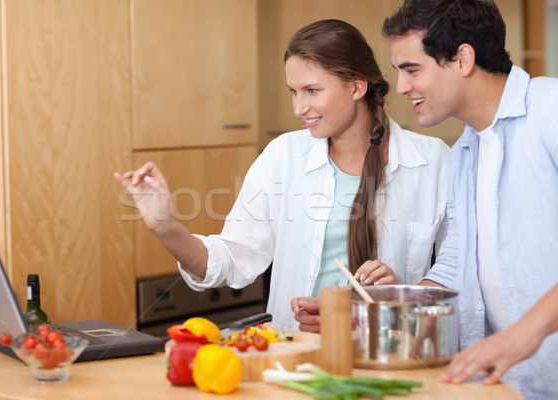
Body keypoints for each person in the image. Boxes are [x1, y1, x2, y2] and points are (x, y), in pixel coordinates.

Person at [115, 19, 449, 331]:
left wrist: (400, 295)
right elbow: (232, 259)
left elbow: (459, 271)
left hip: (388, 352)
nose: (298, 108)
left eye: (312, 91)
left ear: (357, 86)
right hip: (294, 356)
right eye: (294, 91)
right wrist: (166, 227)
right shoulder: (282, 156)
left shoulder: (434, 162)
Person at [382, 1, 558, 399]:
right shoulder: (464, 151)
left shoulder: (551, 112)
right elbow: (460, 254)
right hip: (506, 384)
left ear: (462, 58)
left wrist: (523, 334)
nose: (402, 87)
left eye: (412, 70)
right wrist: (395, 313)